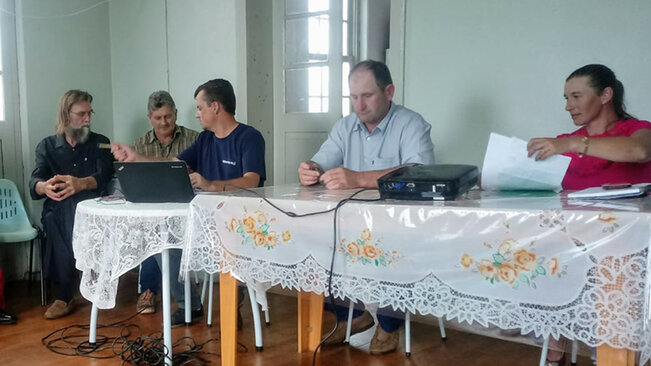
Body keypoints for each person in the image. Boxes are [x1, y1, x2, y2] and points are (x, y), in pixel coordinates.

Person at [298, 60, 435, 354]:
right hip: (351, 220)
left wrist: (358, 178)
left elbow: (419, 172)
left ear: (389, 91)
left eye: (367, 96)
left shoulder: (411, 123)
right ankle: (353, 316)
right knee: (314, 245)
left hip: (397, 223)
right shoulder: (345, 126)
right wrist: (309, 169)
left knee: (395, 248)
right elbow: (322, 159)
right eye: (353, 97)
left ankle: (388, 325)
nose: (359, 105)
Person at [112, 78, 266, 327]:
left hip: (240, 221)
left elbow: (252, 181)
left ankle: (232, 301)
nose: (196, 114)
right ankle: (190, 305)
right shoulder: (205, 140)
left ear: (215, 107)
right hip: (204, 219)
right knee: (166, 238)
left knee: (229, 248)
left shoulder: (250, 137)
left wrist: (211, 185)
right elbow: (173, 163)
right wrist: (136, 157)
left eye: (199, 107)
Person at [527, 64, 651, 366]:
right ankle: (556, 355)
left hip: (627, 245)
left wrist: (572, 144)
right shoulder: (563, 142)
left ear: (606, 95)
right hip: (574, 241)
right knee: (541, 251)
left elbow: (639, 152)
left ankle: (611, 356)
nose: (569, 106)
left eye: (576, 96)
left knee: (603, 263)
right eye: (566, 99)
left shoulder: (638, 130)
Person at [30, 89, 114, 319]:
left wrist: (81, 183)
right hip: (59, 207)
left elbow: (105, 175)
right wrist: (43, 187)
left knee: (69, 211)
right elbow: (35, 180)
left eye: (90, 113)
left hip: (93, 204)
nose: (87, 119)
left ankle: (65, 293)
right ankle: (73, 288)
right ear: (66, 115)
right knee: (56, 214)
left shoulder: (100, 142)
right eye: (81, 114)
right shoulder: (46, 146)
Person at [133, 91, 199, 315]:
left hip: (188, 206)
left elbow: (205, 175)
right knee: (152, 228)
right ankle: (151, 289)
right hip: (153, 207)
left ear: (176, 114)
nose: (164, 122)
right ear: (149, 117)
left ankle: (154, 290)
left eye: (168, 116)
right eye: (158, 117)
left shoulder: (195, 139)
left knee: (161, 233)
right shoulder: (139, 146)